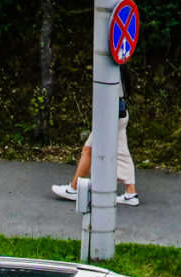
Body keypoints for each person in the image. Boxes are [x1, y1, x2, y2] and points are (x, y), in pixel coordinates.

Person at [48, 78, 139, 207]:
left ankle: (73, 188)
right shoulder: (120, 63)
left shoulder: (111, 66)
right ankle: (131, 193)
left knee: (88, 149)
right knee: (122, 152)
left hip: (110, 115)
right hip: (120, 113)